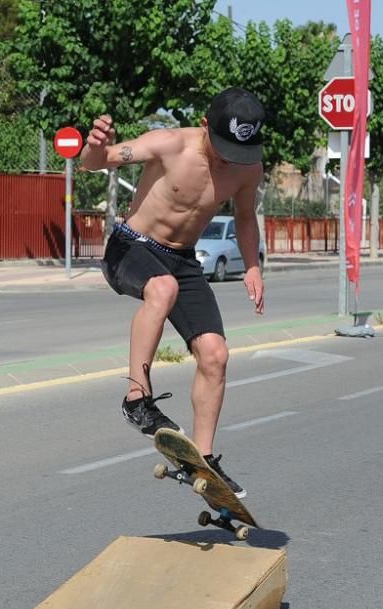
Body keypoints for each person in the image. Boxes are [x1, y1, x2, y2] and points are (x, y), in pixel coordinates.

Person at [80, 87, 266, 498]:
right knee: (161, 289)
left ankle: (204, 461)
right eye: (221, 149)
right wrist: (95, 147)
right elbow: (97, 163)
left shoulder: (249, 167)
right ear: (204, 126)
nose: (228, 161)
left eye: (238, 152)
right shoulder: (169, 143)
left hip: (183, 260)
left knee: (216, 355)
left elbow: (246, 218)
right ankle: (137, 399)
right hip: (130, 247)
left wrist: (252, 265)